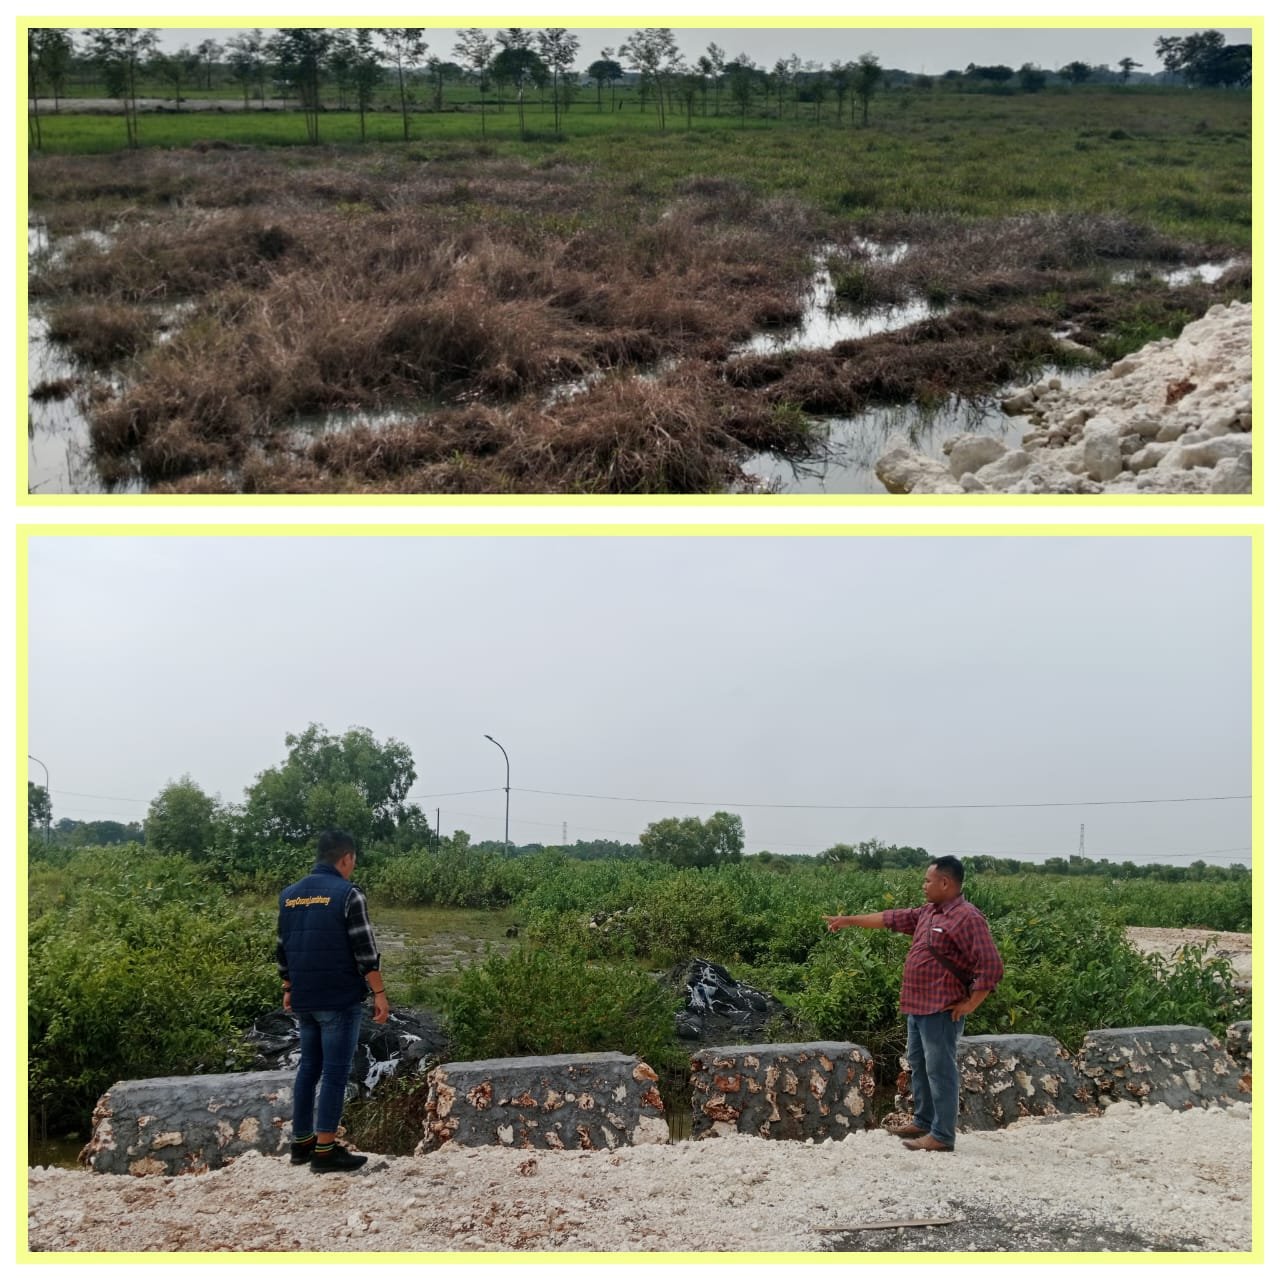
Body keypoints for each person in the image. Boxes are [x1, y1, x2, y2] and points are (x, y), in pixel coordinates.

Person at [823, 855, 1003, 1153]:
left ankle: (942, 1136)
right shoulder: (928, 912)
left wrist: (971, 1003)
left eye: (928, 881)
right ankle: (923, 1121)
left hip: (941, 1009)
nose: (923, 885)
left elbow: (991, 965)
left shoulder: (967, 917)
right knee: (919, 1064)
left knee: (940, 1070)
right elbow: (889, 918)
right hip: (917, 1007)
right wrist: (848, 921)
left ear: (945, 883)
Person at [277, 828, 389, 1172]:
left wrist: (288, 987)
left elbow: (283, 947)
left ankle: (301, 1144)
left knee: (309, 1068)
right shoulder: (348, 894)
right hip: (338, 998)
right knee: (335, 1073)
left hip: (304, 998)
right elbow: (364, 950)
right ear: (347, 858)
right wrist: (379, 993)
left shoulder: (289, 895)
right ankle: (325, 1151)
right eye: (353, 860)